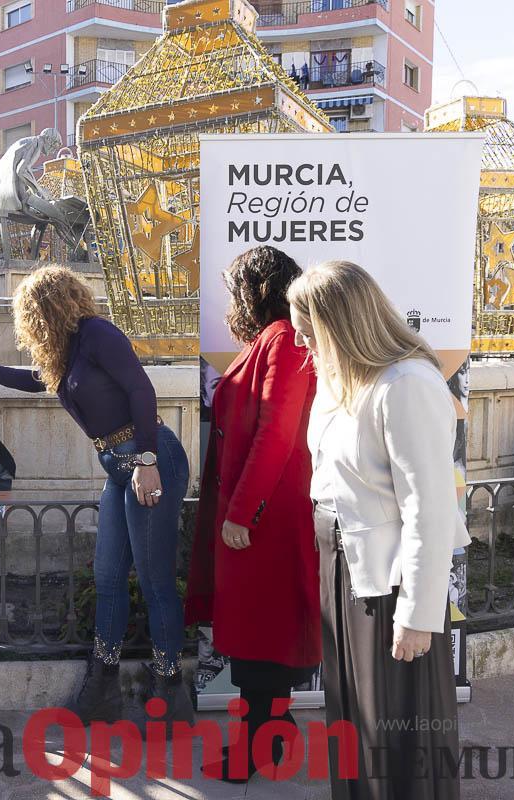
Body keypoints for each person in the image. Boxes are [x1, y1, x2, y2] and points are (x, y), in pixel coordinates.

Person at [0, 265, 193, 726]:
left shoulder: (98, 334)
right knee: (107, 578)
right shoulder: (66, 353)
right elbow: (35, 380)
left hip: (150, 459)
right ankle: (102, 690)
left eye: (30, 314)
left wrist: (147, 462)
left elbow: (141, 390)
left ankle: (171, 697)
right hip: (117, 466)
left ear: (45, 308)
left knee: (155, 581)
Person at [288, 261, 468, 799]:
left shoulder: (407, 384)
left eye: (308, 333)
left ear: (340, 325)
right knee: (353, 718)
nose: (303, 346)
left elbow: (429, 509)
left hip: (389, 587)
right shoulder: (343, 382)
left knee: (397, 727)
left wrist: (416, 615)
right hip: (342, 567)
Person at [184, 246, 320, 781]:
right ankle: (267, 745)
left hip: (265, 519)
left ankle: (255, 752)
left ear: (254, 289)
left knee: (265, 641)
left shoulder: (282, 340)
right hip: (261, 515)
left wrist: (242, 513)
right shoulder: (271, 340)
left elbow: (276, 432)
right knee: (264, 640)